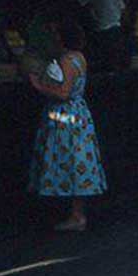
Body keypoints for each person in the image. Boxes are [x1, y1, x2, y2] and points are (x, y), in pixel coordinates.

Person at [27, 19, 108, 232]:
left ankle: (76, 215)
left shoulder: (66, 60)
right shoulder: (79, 57)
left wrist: (38, 85)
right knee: (77, 158)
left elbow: (63, 93)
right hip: (79, 113)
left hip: (65, 116)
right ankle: (76, 212)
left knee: (67, 159)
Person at [75, 0, 128, 72]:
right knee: (113, 56)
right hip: (115, 27)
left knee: (106, 57)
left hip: (104, 28)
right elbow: (123, 9)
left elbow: (77, 2)